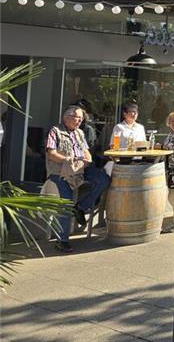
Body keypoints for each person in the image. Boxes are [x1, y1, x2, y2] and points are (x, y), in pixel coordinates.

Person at [46, 106, 111, 252]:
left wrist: (87, 158)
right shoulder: (55, 131)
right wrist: (68, 160)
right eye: (77, 118)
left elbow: (86, 150)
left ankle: (81, 207)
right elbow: (51, 154)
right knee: (66, 202)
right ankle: (62, 240)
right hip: (61, 171)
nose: (79, 122)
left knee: (103, 180)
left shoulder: (80, 133)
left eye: (81, 119)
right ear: (67, 117)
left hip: (81, 169)